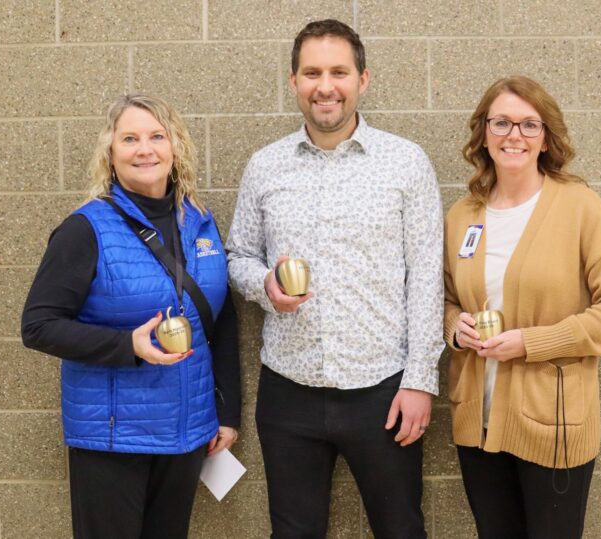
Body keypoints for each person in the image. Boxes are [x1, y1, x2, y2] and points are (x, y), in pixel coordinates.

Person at [225, 19, 443, 539]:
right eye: (313, 72)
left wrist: (419, 381)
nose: (326, 85)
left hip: (383, 391)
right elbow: (237, 256)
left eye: (339, 72)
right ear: (294, 82)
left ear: (362, 80)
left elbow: (427, 277)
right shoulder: (265, 166)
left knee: (401, 529)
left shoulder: (405, 163)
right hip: (289, 391)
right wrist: (265, 288)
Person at [21, 93, 241, 539]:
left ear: (175, 147)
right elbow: (38, 326)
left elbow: (222, 319)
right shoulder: (86, 229)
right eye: (130, 138)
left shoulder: (199, 222)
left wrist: (226, 412)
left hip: (186, 434)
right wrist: (128, 347)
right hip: (113, 440)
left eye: (157, 136)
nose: (145, 149)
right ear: (111, 152)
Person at [443, 76, 601, 538]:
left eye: (530, 125)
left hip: (553, 424)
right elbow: (446, 299)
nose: (515, 135)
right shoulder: (462, 215)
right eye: (502, 122)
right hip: (479, 424)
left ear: (546, 137)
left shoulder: (579, 207)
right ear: (484, 133)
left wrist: (532, 342)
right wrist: (455, 326)